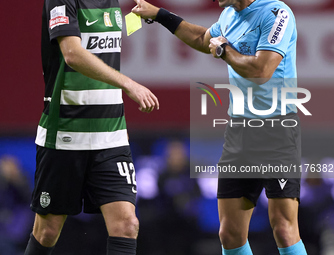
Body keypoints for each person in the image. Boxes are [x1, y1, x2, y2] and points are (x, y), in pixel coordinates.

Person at [132, 0, 307, 254]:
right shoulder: (228, 15)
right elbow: (203, 38)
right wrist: (159, 14)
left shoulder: (277, 13)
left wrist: (225, 51)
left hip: (277, 130)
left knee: (283, 227)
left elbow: (262, 69)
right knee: (229, 233)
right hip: (239, 132)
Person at [24, 0, 159, 254]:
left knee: (127, 224)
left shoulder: (113, 2)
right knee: (47, 232)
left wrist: (156, 16)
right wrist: (129, 84)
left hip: (111, 136)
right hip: (65, 134)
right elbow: (73, 54)